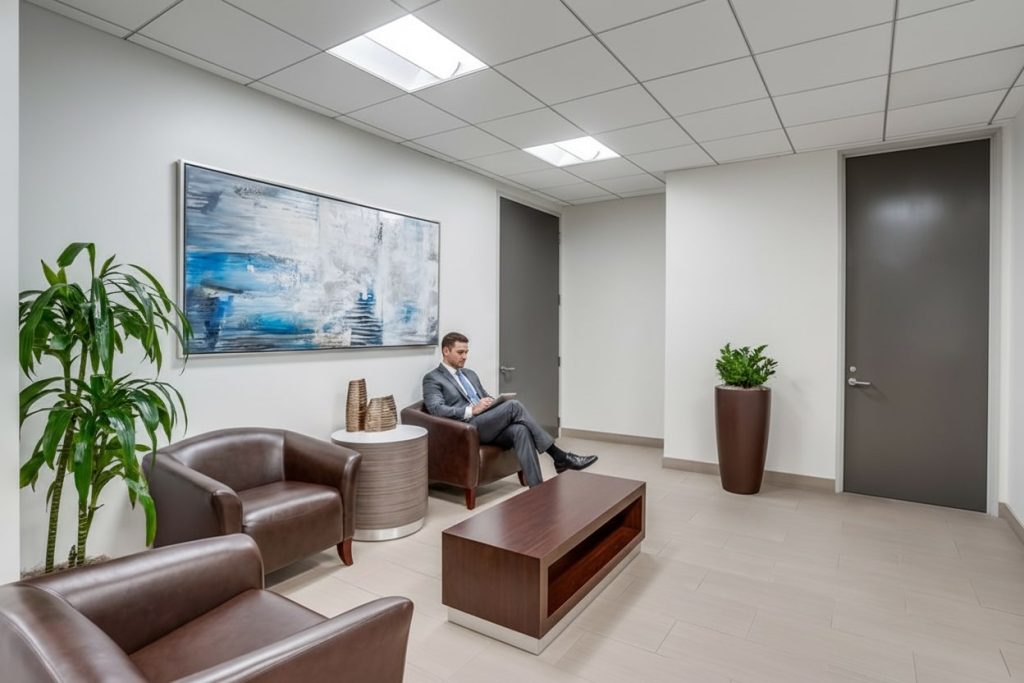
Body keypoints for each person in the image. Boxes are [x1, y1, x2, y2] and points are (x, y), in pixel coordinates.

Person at [422, 331, 597, 487]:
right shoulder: (433, 378)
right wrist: (471, 410)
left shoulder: (470, 374)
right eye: (460, 352)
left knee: (520, 430)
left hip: (485, 421)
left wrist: (492, 402)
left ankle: (537, 489)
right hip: (466, 428)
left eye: (466, 352)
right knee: (514, 406)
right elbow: (436, 409)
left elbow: (484, 396)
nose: (465, 356)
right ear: (446, 351)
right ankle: (559, 456)